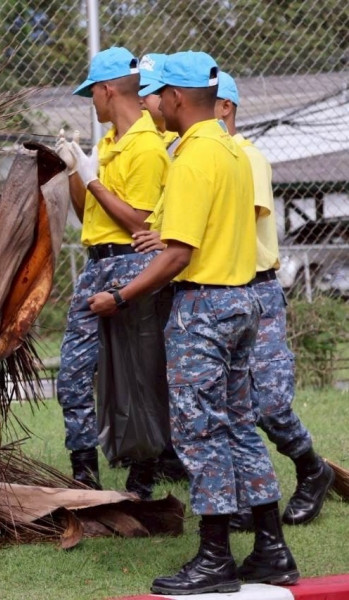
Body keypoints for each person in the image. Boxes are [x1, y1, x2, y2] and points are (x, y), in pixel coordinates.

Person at [87, 52, 298, 594]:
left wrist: (122, 296)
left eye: (158, 94)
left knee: (200, 432)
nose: (151, 103)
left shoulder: (190, 158)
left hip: (203, 309)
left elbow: (179, 254)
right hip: (243, 301)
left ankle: (215, 557)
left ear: (177, 97)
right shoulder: (231, 150)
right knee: (238, 425)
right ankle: (271, 549)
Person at [215, 72, 335, 531]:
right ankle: (251, 499)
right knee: (231, 405)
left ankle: (312, 468)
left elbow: (239, 222)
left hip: (256, 289)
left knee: (268, 402)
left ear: (225, 107)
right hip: (220, 290)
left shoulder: (248, 158)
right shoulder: (204, 157)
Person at [54, 46, 170, 491]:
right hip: (97, 263)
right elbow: (89, 215)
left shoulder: (147, 147)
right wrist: (74, 172)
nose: (93, 103)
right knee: (73, 373)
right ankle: (84, 470)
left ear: (107, 91)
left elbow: (139, 222)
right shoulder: (107, 145)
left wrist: (94, 179)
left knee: (138, 375)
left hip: (133, 264)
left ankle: (143, 474)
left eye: (93, 94)